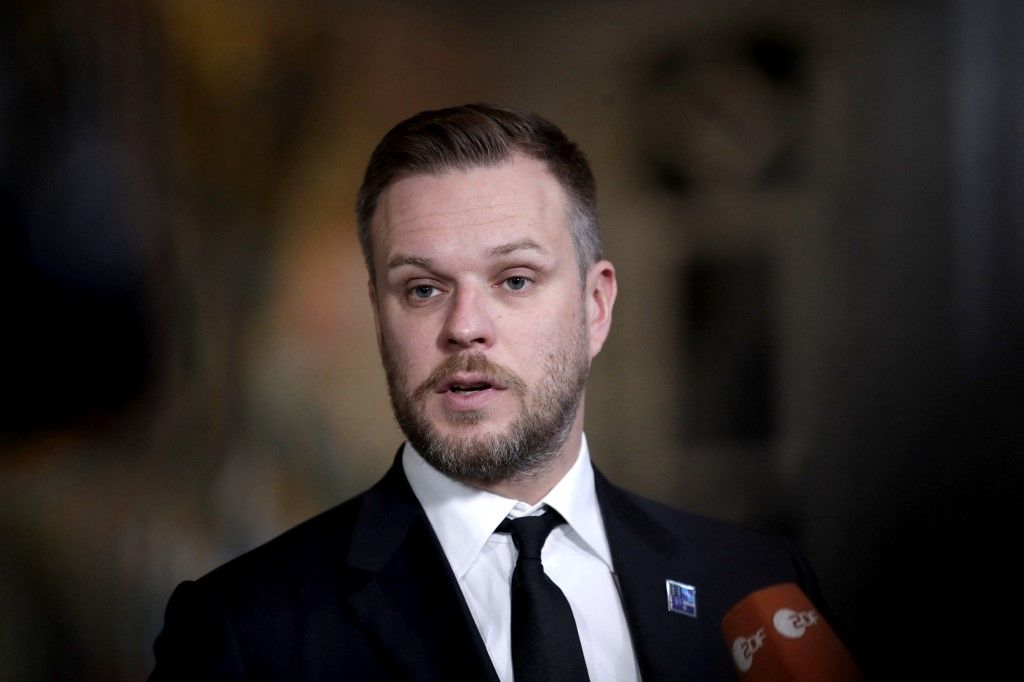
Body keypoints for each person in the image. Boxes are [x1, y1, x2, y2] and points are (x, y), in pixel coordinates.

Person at [150, 104, 828, 681]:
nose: (464, 328)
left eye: (514, 280)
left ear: (595, 306)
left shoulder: (755, 581)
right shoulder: (243, 632)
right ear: (380, 317)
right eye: (422, 289)